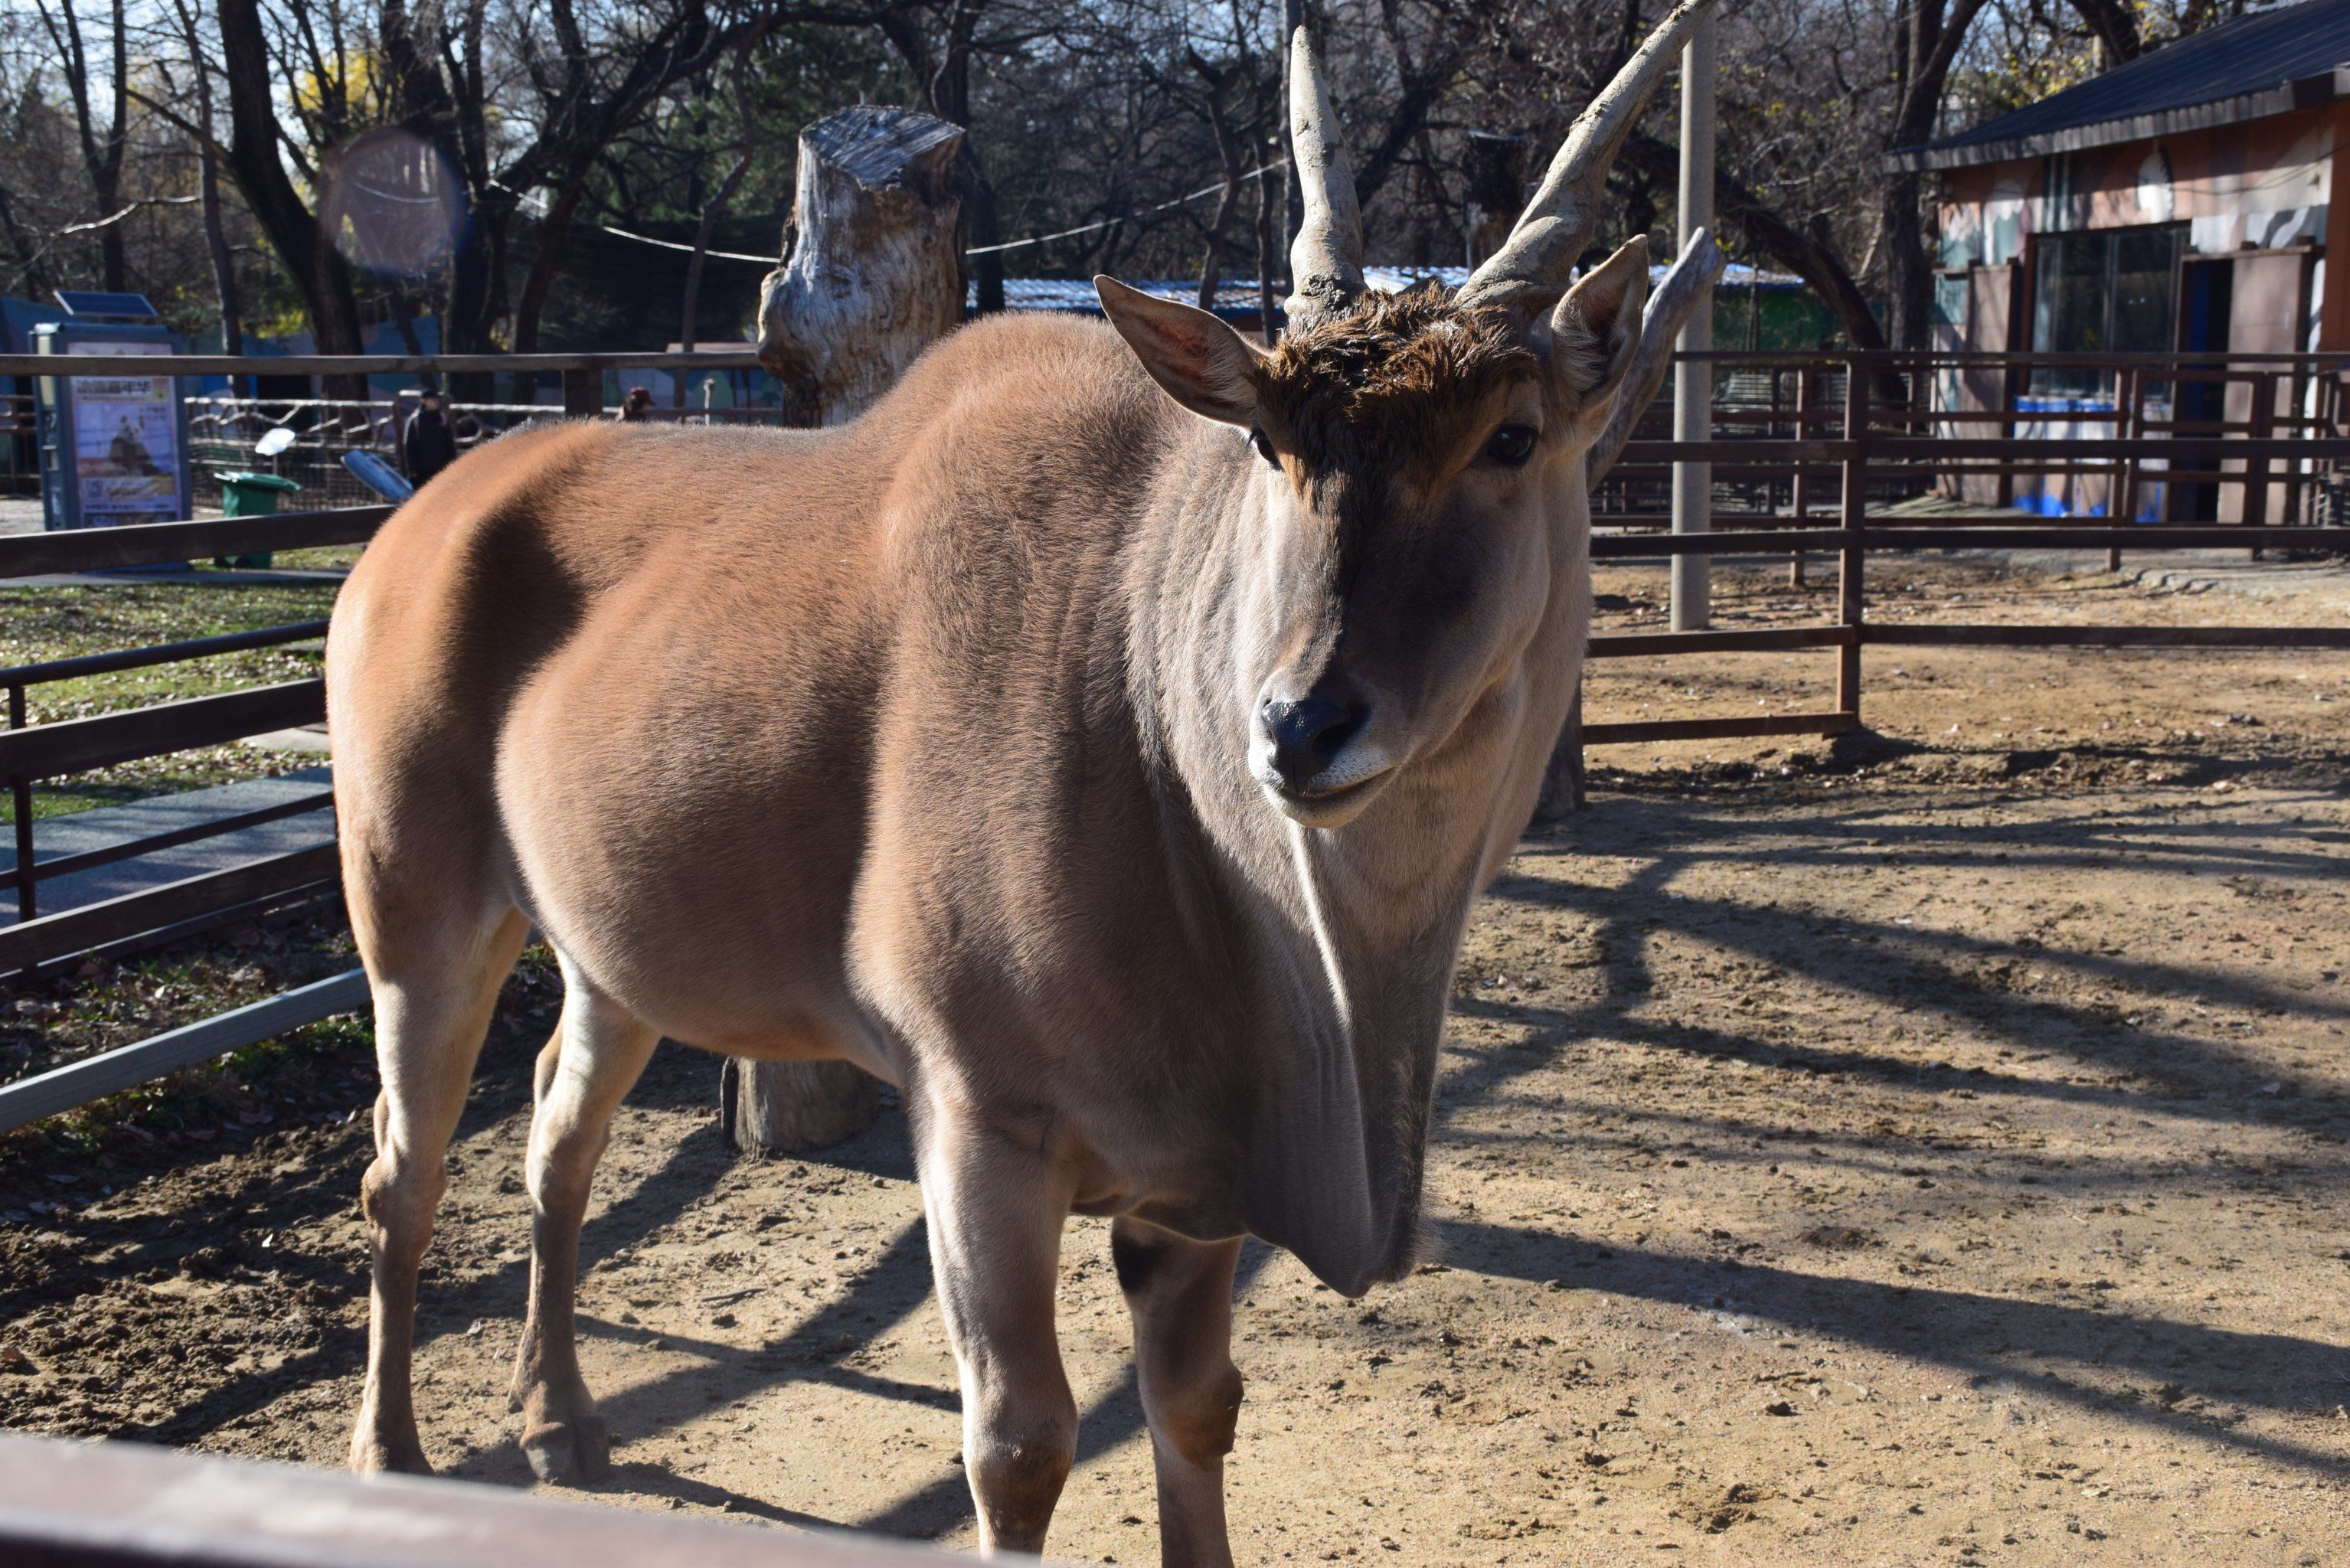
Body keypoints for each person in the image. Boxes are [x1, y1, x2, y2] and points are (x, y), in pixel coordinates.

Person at [402, 387, 459, 485]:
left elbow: (449, 444)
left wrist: (451, 464)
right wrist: (413, 470)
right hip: (421, 472)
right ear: (423, 401)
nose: (436, 402)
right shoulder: (415, 421)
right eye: (433, 399)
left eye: (437, 399)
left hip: (441, 470)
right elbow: (410, 447)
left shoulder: (443, 419)